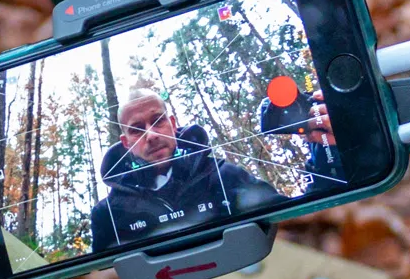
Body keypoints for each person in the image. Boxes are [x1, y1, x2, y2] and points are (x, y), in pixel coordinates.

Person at [89, 86, 280, 252]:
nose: (151, 135)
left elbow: (286, 224)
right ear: (126, 143)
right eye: (136, 129)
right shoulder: (108, 215)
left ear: (172, 124)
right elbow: (103, 275)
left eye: (157, 121)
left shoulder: (224, 176)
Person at [257, 80, 341, 182]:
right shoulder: (320, 159)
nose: (292, 114)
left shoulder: (328, 97)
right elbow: (324, 185)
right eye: (282, 118)